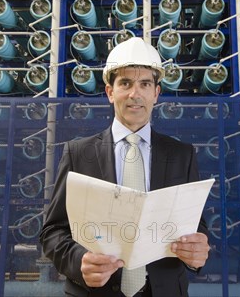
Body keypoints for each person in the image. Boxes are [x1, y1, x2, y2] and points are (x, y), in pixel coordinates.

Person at [39, 37, 210, 297]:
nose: (135, 94)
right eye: (125, 83)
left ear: (156, 93)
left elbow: (195, 226)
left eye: (144, 84)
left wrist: (197, 250)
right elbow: (53, 232)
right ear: (110, 92)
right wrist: (79, 261)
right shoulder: (79, 153)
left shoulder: (181, 155)